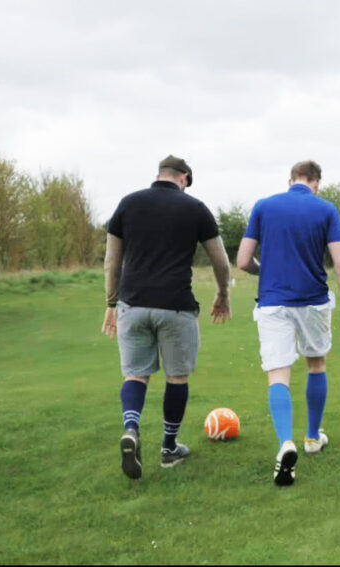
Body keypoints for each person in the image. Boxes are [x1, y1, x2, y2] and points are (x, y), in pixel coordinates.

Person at [101, 155, 232, 480]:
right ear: (184, 178)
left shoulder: (128, 204)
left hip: (132, 304)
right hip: (176, 306)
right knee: (177, 377)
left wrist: (111, 303)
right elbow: (221, 261)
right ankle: (169, 448)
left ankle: (131, 429)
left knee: (135, 375)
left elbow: (111, 261)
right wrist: (222, 294)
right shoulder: (195, 208)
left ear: (160, 174)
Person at [236, 160, 340, 487]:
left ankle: (285, 442)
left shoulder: (263, 206)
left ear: (290, 180)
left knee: (279, 374)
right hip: (314, 301)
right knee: (316, 365)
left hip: (273, 302)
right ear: (316, 183)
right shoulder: (326, 209)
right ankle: (313, 438)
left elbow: (243, 260)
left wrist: (267, 271)